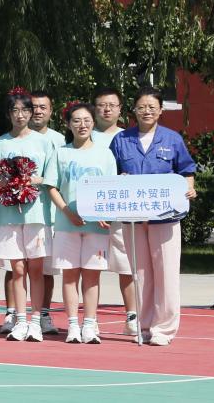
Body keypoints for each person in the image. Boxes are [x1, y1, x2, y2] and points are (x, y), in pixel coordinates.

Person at [109, 87, 197, 346]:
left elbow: (186, 170)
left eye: (152, 107)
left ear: (160, 110)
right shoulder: (121, 140)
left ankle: (164, 329)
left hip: (166, 216)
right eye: (141, 107)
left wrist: (189, 188)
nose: (146, 111)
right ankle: (144, 326)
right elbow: (109, 174)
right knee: (141, 273)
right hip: (133, 218)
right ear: (133, 110)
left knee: (166, 272)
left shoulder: (172, 139)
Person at [0, 89, 59, 342]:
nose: (20, 115)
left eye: (25, 110)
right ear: (8, 114)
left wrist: (30, 180)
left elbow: (50, 178)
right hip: (8, 216)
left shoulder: (45, 142)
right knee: (17, 269)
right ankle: (20, 320)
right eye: (15, 111)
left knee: (36, 269)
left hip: (37, 214)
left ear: (31, 113)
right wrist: (6, 181)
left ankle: (36, 321)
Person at [50, 102, 116, 345]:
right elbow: (52, 187)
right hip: (67, 224)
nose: (82, 125)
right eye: (76, 120)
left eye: (87, 120)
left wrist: (105, 213)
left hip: (96, 227)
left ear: (93, 123)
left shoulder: (105, 154)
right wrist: (67, 212)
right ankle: (72, 326)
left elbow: (111, 188)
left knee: (91, 277)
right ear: (68, 124)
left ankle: (89, 324)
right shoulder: (61, 153)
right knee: (69, 276)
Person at [92, 86, 139, 334]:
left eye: (112, 105)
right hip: (91, 215)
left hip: (120, 214)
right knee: (90, 267)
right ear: (94, 108)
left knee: (126, 266)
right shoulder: (84, 135)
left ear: (121, 109)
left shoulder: (129, 137)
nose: (107, 109)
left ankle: (132, 317)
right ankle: (90, 319)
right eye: (102, 105)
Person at [28, 89, 65, 335]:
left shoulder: (59, 140)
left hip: (49, 214)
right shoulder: (15, 138)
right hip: (18, 214)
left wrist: (42, 180)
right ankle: (14, 314)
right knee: (16, 270)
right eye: (34, 107)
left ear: (51, 111)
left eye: (43, 107)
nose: (38, 111)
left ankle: (43, 313)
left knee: (46, 270)